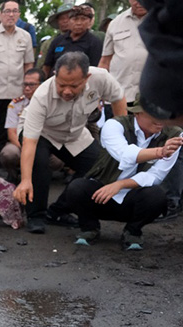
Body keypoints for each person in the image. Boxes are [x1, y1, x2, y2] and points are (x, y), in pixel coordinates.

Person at [14, 52, 127, 234]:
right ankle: (36, 215)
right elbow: (29, 143)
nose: (67, 91)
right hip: (42, 132)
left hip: (74, 133)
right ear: (55, 76)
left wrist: (121, 135)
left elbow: (118, 98)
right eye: (61, 85)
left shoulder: (101, 78)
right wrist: (25, 180)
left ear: (86, 78)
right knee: (39, 162)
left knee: (99, 165)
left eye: (74, 86)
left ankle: (58, 211)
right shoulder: (42, 96)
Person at [53, 99, 182, 250]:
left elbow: (156, 175)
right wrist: (160, 152)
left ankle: (133, 231)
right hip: (102, 194)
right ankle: (89, 228)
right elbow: (124, 154)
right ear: (137, 113)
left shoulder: (174, 135)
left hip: (133, 199)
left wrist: (120, 184)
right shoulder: (114, 125)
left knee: (157, 196)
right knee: (76, 188)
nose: (161, 120)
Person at [0, 0, 34, 162]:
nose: (11, 15)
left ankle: (0, 161)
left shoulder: (25, 36)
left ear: (19, 15)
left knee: (7, 128)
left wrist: (28, 86)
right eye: (7, 11)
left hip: (16, 91)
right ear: (0, 14)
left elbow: (28, 63)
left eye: (15, 11)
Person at [0, 68, 66, 181]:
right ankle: (13, 176)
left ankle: (44, 175)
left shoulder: (53, 103)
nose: (27, 88)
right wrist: (27, 149)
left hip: (46, 143)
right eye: (25, 84)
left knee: (59, 158)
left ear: (42, 85)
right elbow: (11, 133)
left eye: (31, 85)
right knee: (8, 153)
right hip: (21, 144)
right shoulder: (15, 104)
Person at [98, 0, 147, 104]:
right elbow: (105, 61)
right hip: (118, 97)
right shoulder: (115, 24)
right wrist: (97, 92)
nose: (139, 2)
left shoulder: (165, 20)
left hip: (153, 97)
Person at [43, 4, 103, 78]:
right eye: (75, 19)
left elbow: (95, 69)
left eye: (83, 19)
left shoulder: (95, 42)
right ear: (69, 21)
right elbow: (47, 66)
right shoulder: (58, 40)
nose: (78, 23)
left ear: (89, 22)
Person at [38, 3, 73, 70]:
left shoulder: (87, 39)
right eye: (62, 18)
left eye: (69, 17)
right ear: (57, 21)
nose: (65, 21)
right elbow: (41, 64)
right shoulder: (48, 43)